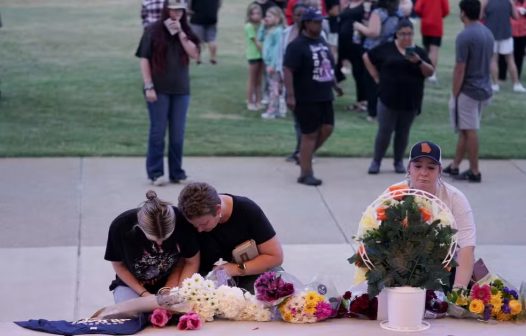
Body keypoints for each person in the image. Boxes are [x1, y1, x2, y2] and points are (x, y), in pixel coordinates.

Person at [388, 141, 476, 290]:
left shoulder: (455, 199)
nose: (424, 173)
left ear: (439, 171)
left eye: (431, 167)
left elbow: (466, 247)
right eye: (417, 166)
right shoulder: (394, 194)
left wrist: (458, 290)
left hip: (445, 271)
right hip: (401, 271)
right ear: (409, 168)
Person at [136, 0, 200, 186]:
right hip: (158, 88)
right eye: (173, 9)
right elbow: (144, 59)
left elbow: (194, 54)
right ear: (166, 9)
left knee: (178, 133)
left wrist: (180, 33)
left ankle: (176, 172)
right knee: (158, 131)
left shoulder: (186, 31)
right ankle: (155, 172)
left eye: (180, 9)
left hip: (181, 90)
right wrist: (148, 85)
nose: (177, 13)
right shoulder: (153, 30)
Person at [177, 182, 283, 293]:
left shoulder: (246, 210)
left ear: (218, 210)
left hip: (249, 272)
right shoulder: (187, 218)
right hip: (207, 278)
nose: (199, 230)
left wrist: (236, 269)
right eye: (194, 225)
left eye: (204, 223)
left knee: (271, 290)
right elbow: (186, 262)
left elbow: (275, 257)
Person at [363, 18, 434, 175]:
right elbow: (367, 56)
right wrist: (375, 76)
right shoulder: (386, 49)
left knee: (403, 133)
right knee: (384, 132)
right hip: (388, 99)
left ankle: (398, 162)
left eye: (409, 34)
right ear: (396, 34)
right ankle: (376, 161)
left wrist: (419, 62)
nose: (406, 38)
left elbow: (430, 72)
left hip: (410, 101)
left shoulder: (419, 52)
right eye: (403, 34)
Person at [104, 190, 200, 303]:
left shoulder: (183, 222)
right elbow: (119, 266)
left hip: (173, 280)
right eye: (153, 239)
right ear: (138, 227)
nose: (159, 244)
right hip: (131, 284)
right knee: (131, 314)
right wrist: (145, 294)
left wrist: (177, 291)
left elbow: (191, 261)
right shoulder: (120, 227)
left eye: (165, 238)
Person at [284, 7, 343, 186]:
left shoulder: (322, 42)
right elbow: (288, 70)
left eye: (320, 21)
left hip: (325, 95)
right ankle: (305, 173)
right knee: (309, 134)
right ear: (306, 23)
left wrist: (334, 85)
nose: (319, 24)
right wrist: (291, 96)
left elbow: (327, 67)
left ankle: (303, 156)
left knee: (328, 128)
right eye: (316, 21)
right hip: (306, 96)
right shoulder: (296, 45)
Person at [444, 0, 493, 183]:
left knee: (469, 130)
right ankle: (455, 166)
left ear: (463, 13)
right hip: (484, 88)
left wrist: (455, 93)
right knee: (466, 129)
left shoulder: (465, 36)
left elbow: (460, 68)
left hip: (468, 90)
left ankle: (474, 171)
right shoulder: (487, 33)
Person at [354, 0, 401, 121]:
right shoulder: (397, 13)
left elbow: (374, 32)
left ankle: (373, 113)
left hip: (374, 51)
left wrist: (359, 26)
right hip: (390, 50)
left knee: (371, 82)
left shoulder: (378, 12)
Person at [280, 3, 308, 163]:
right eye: (297, 14)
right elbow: (281, 57)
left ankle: (303, 151)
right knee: (298, 121)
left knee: (306, 122)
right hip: (291, 83)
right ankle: (300, 150)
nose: (300, 18)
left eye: (303, 15)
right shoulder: (286, 33)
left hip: (309, 85)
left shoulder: (317, 34)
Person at [481, 0, 526, 92]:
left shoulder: (486, 1)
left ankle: (495, 84)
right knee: (510, 59)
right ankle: (516, 84)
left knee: (493, 59)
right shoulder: (509, 1)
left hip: (491, 34)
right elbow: (516, 16)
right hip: (506, 33)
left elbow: (480, 16)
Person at [337, 0, 368, 112]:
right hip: (345, 43)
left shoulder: (365, 5)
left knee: (360, 72)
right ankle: (359, 100)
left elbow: (367, 23)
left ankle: (363, 101)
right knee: (354, 71)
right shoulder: (348, 4)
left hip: (357, 43)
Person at [414, 0, 450, 83]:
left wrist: (424, 14)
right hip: (437, 25)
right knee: (434, 50)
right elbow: (446, 10)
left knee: (426, 49)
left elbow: (417, 9)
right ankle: (432, 73)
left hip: (425, 24)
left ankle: (425, 71)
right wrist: (439, 14)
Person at [261, 7, 286, 119]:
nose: (267, 18)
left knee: (274, 88)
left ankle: (272, 111)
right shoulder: (268, 29)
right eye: (266, 16)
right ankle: (278, 110)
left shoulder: (278, 31)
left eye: (269, 16)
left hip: (274, 65)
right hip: (268, 63)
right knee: (273, 87)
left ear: (277, 18)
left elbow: (277, 50)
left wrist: (273, 64)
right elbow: (259, 38)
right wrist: (262, 26)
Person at [245, 3, 265, 111]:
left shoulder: (261, 25)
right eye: (254, 14)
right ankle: (250, 101)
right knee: (252, 80)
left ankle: (258, 100)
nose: (256, 16)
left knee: (259, 79)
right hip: (253, 54)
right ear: (250, 15)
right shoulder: (249, 26)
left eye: (258, 13)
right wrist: (264, 52)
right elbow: (255, 41)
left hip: (261, 55)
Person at [188, 0, 222, 65]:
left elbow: (190, 5)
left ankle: (198, 58)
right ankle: (213, 57)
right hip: (212, 17)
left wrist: (189, 12)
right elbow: (219, 4)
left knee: (197, 40)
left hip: (197, 18)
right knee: (212, 39)